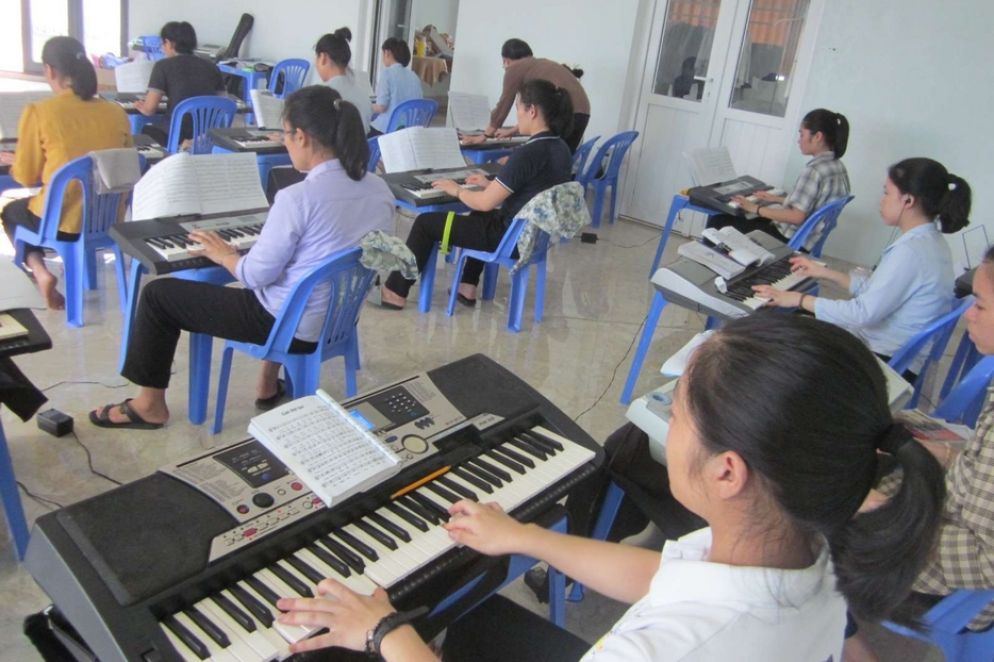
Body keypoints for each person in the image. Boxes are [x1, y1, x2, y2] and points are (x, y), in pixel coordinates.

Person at [274, 313, 946, 661]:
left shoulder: (670, 646)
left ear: (727, 472)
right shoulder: (811, 543)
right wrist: (526, 537)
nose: (668, 425)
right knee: (476, 622)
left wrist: (385, 630)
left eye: (676, 414)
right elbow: (665, 574)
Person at [89, 86, 394, 429]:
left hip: (288, 325)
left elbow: (254, 276)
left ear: (303, 137)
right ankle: (267, 384)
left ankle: (149, 406)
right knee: (289, 281)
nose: (284, 142)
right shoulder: (379, 189)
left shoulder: (298, 198)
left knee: (159, 296)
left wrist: (225, 254)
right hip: (339, 317)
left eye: (286, 135)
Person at [844, 244, 994, 660]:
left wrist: (877, 510)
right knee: (881, 450)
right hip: (950, 515)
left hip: (964, 596)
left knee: (813, 518)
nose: (969, 314)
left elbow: (986, 559)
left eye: (980, 304)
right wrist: (930, 443)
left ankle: (838, 638)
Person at [754, 157, 970, 376]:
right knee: (799, 316)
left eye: (887, 193)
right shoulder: (931, 241)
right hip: (893, 349)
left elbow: (862, 314)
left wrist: (797, 298)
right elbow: (879, 291)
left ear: (908, 201)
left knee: (782, 329)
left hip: (884, 360)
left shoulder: (911, 252)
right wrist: (825, 273)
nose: (881, 200)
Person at [379, 79, 573, 309]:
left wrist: (457, 189)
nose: (517, 114)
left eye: (518, 108)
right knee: (479, 218)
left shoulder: (528, 153)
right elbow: (527, 189)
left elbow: (483, 202)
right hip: (534, 237)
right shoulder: (561, 148)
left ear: (532, 111)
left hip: (508, 238)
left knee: (425, 223)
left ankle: (395, 291)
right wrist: (486, 183)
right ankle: (467, 287)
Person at [0, 36, 131, 310]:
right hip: (106, 221)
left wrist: (16, 159)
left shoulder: (40, 112)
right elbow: (125, 164)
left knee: (12, 212)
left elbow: (24, 177)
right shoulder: (116, 112)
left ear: (49, 70)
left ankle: (39, 270)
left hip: (63, 222)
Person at [705, 108, 850, 250]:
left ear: (817, 136)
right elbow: (812, 204)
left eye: (802, 134)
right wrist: (776, 199)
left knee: (719, 221)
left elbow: (797, 217)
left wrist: (756, 208)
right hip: (809, 238)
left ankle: (715, 265)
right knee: (752, 217)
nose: (799, 141)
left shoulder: (814, 170)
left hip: (789, 239)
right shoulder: (837, 166)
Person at [462, 38, 591, 153]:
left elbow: (504, 104)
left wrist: (486, 135)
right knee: (562, 157)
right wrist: (513, 130)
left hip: (567, 113)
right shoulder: (539, 64)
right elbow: (539, 111)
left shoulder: (514, 69)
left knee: (548, 158)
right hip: (583, 112)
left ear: (506, 60)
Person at [134, 21, 225, 145]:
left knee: (145, 129)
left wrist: (140, 106)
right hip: (205, 136)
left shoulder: (163, 66)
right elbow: (223, 104)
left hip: (174, 136)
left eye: (163, 44)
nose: (162, 48)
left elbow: (150, 109)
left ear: (170, 43)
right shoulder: (212, 67)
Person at [314, 31, 373, 134]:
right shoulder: (363, 95)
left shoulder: (320, 95)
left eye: (316, 58)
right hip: (361, 149)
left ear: (323, 58)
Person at [368, 38, 423, 136]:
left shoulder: (387, 74)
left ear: (387, 53)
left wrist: (366, 106)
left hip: (388, 130)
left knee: (361, 129)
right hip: (409, 131)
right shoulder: (414, 76)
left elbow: (381, 107)